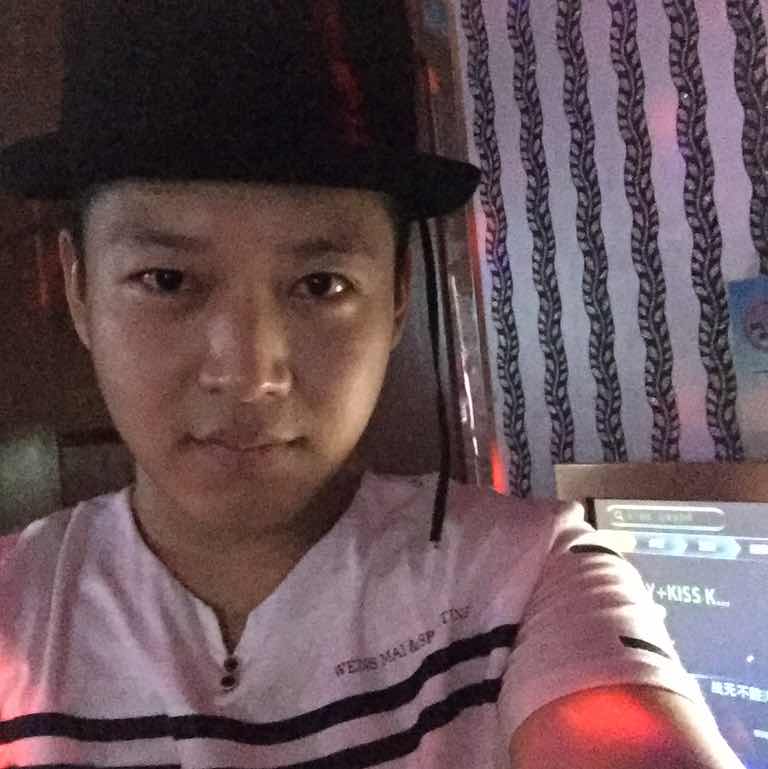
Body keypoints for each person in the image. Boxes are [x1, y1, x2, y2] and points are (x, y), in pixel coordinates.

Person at [0, 2, 745, 768]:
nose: (250, 374)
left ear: (396, 296)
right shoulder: (16, 614)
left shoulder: (528, 579)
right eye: (167, 279)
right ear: (79, 287)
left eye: (321, 284)